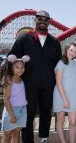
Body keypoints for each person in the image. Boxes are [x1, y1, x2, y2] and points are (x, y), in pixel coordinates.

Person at [9, 10, 62, 143]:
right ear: (35, 20)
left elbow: (59, 64)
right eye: (40, 19)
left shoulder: (54, 42)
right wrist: (8, 76)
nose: (43, 21)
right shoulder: (24, 38)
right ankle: (28, 141)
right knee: (28, 114)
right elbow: (12, 58)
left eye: (46, 19)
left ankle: (44, 137)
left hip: (48, 84)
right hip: (28, 84)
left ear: (49, 22)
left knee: (46, 112)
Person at [53, 42, 76, 143]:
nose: (73, 53)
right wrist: (65, 99)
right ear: (66, 50)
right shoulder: (61, 63)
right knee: (61, 121)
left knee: (73, 122)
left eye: (75, 51)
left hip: (73, 97)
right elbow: (58, 82)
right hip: (61, 96)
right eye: (71, 50)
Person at [0, 54, 30, 143]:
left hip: (22, 109)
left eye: (22, 67)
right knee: (7, 135)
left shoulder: (21, 78)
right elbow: (6, 99)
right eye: (17, 67)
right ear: (11, 67)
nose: (20, 69)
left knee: (16, 133)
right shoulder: (9, 79)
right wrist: (11, 115)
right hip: (11, 110)